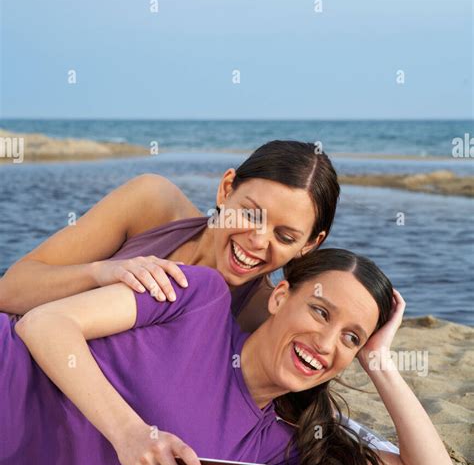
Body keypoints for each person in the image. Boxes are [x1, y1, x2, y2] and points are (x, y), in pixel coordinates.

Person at [2, 249, 459, 465]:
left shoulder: (284, 444)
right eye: (320, 312)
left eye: (351, 338)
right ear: (280, 296)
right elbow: (42, 324)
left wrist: (378, 360)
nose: (325, 342)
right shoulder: (201, 299)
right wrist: (130, 433)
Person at [0, 141, 340, 332]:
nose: (257, 240)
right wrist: (100, 272)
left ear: (309, 245)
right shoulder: (152, 202)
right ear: (225, 190)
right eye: (251, 214)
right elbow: (10, 290)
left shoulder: (261, 317)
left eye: (284, 236)